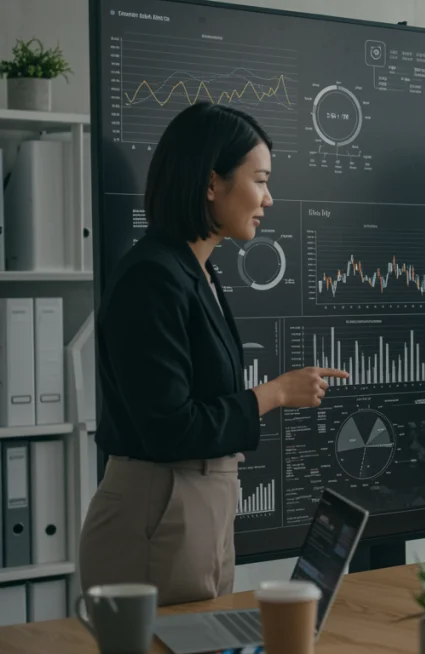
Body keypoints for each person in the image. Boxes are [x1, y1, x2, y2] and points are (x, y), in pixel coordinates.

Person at [78, 102, 349, 606]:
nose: (269, 198)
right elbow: (169, 427)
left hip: (196, 510)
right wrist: (273, 394)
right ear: (210, 185)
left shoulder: (195, 270)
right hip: (159, 513)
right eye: (260, 179)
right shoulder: (151, 276)